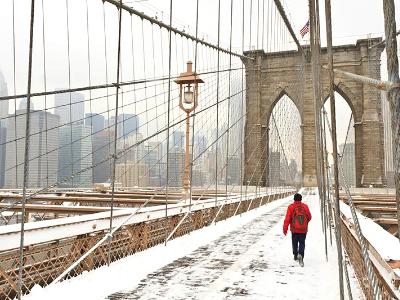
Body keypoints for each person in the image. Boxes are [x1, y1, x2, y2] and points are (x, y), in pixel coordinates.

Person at [283, 193, 312, 267]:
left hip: (294, 229)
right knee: (302, 242)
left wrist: (285, 228)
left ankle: (295, 255)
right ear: (301, 199)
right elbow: (309, 216)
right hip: (303, 229)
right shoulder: (305, 206)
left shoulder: (291, 207)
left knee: (294, 242)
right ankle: (301, 255)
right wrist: (305, 223)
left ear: (294, 199)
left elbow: (287, 218)